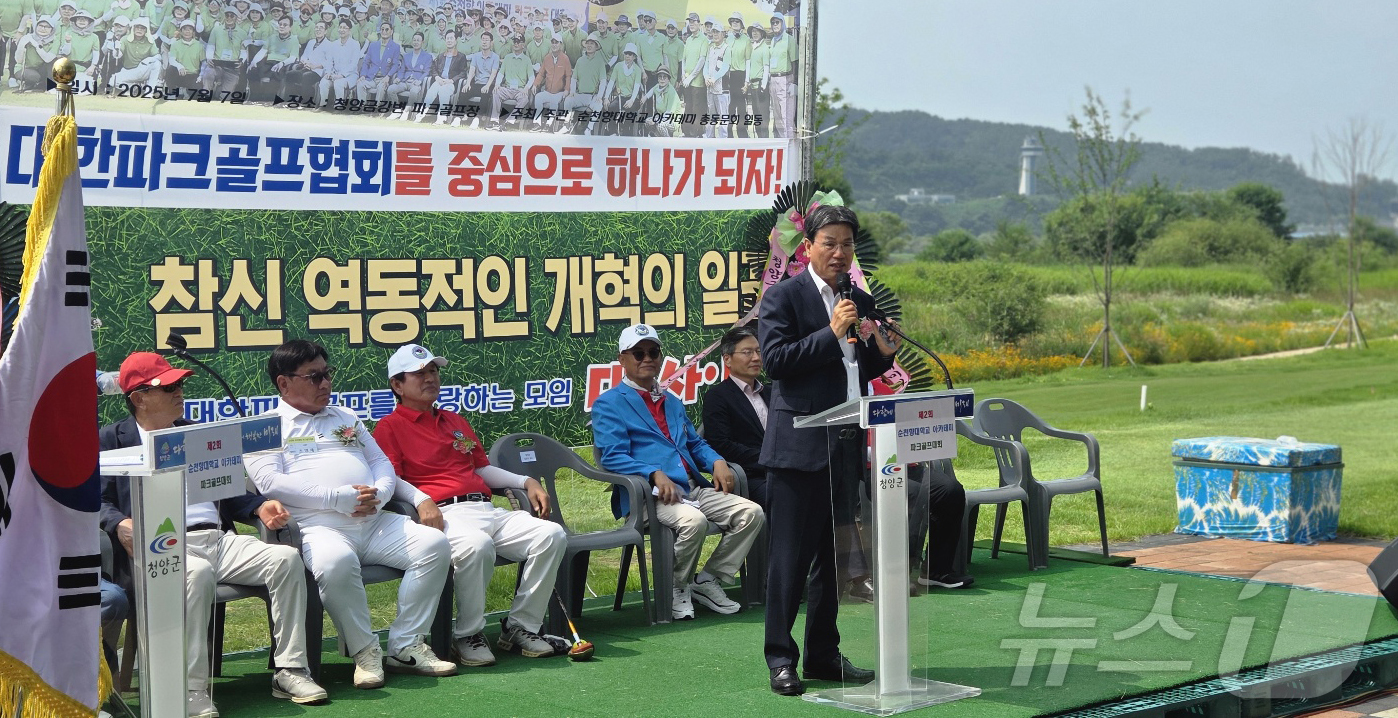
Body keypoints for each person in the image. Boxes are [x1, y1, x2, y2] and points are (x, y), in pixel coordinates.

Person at [98, 352, 328, 717]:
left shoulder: (195, 433)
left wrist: (257, 506)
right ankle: (191, 691)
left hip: (217, 540)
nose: (180, 391)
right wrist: (118, 523)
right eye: (169, 386)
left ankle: (290, 669)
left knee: (284, 558)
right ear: (139, 397)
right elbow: (97, 500)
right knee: (197, 573)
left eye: (180, 384)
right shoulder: (112, 439)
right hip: (158, 548)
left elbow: (229, 489)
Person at [244, 339, 457, 690]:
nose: (325, 384)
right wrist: (336, 499)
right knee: (335, 562)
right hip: (317, 527)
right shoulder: (263, 426)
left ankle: (405, 645)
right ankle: (365, 651)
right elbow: (269, 482)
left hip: (374, 521)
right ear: (284, 383)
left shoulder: (345, 416)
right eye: (314, 377)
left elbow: (379, 462)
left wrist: (381, 493)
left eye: (327, 374)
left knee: (433, 544)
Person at [758, 204, 900, 696]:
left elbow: (849, 373)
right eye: (830, 244)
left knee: (833, 561)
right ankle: (780, 657)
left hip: (843, 446)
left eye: (847, 245)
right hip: (799, 450)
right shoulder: (784, 298)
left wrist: (879, 353)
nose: (840, 253)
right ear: (808, 247)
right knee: (789, 563)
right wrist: (832, 332)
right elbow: (776, 363)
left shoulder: (856, 298)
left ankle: (822, 653)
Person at [372, 344, 567, 666]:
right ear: (397, 384)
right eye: (419, 373)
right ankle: (467, 635)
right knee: (476, 546)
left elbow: (479, 468)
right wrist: (423, 501)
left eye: (433, 371)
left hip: (486, 508)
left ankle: (521, 627)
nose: (430, 378)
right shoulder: (389, 427)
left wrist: (525, 481)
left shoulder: (454, 420)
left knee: (551, 535)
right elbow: (390, 479)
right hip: (444, 514)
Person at [591, 324, 765, 621]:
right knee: (693, 521)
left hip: (690, 490)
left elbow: (695, 443)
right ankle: (676, 586)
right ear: (622, 359)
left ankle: (707, 579)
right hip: (648, 498)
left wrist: (717, 462)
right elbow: (612, 456)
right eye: (638, 352)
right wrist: (652, 472)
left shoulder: (670, 401)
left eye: (653, 352)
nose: (647, 358)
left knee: (752, 513)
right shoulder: (608, 404)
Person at [700, 324, 768, 510]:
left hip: (784, 471)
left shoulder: (771, 392)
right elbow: (721, 444)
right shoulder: (718, 396)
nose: (756, 358)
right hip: (749, 476)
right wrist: (769, 459)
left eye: (758, 351)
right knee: (785, 497)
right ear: (727, 359)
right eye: (747, 352)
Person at [528, 32, 569, 131]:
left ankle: (548, 125)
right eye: (553, 42)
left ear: (561, 44)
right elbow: (541, 73)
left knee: (554, 102)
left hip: (559, 92)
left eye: (557, 42)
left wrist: (567, 89)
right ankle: (537, 124)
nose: (554, 45)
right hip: (547, 91)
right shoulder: (547, 58)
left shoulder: (565, 58)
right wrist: (535, 84)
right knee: (538, 97)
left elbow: (568, 76)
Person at [316, 16, 360, 104]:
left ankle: (339, 106)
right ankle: (322, 105)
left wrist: (342, 75)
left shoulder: (355, 44)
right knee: (324, 82)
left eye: (345, 28)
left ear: (349, 30)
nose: (342, 30)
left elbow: (353, 64)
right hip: (334, 74)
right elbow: (329, 61)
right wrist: (328, 72)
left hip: (350, 76)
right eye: (340, 27)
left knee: (338, 83)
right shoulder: (334, 44)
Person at [766, 14, 796, 138]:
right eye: (773, 23)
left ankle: (790, 145)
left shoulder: (789, 39)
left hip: (785, 78)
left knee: (786, 115)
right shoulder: (773, 40)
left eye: (777, 22)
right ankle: (783, 144)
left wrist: (795, 83)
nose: (775, 25)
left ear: (783, 23)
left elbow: (795, 62)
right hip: (773, 79)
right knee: (777, 115)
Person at [355, 18, 399, 101]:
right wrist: (363, 75)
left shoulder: (395, 47)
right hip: (371, 77)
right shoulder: (373, 45)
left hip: (383, 77)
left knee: (381, 87)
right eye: (382, 29)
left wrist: (388, 76)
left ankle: (377, 109)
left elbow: (395, 65)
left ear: (391, 31)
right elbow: (366, 62)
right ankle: (361, 108)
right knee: (360, 84)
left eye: (387, 29)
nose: (384, 31)